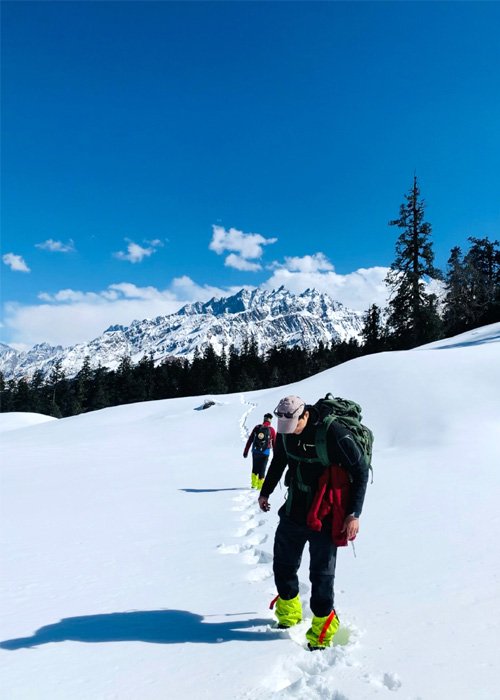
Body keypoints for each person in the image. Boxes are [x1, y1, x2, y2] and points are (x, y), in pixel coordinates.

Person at [258, 395, 369, 650]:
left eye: (295, 426)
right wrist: (265, 492)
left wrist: (354, 514)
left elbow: (360, 470)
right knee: (283, 563)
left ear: (305, 415)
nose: (290, 432)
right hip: (295, 507)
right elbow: (279, 462)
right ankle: (289, 614)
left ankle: (322, 630)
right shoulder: (287, 433)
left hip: (327, 514)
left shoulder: (333, 432)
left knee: (321, 574)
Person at [243, 413, 276, 490]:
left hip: (255, 451)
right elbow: (274, 444)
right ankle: (260, 487)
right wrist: (275, 455)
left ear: (264, 419)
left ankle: (253, 485)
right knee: (262, 469)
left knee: (255, 467)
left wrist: (246, 451)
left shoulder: (257, 427)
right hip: (265, 452)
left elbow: (250, 440)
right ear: (270, 420)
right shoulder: (272, 430)